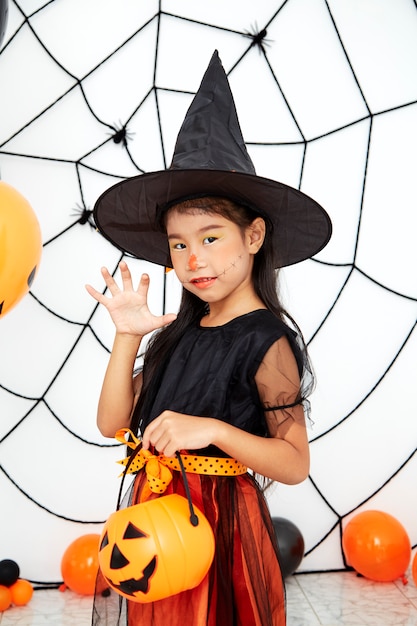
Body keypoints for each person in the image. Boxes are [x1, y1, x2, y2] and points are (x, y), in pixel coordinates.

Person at [86, 51, 331, 626]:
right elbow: (109, 423)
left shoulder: (267, 341)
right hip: (156, 513)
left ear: (253, 236)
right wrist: (126, 337)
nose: (193, 259)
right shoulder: (180, 334)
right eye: (177, 244)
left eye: (211, 237)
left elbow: (294, 463)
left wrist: (213, 430)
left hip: (218, 523)